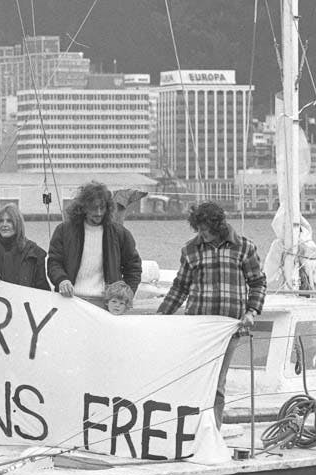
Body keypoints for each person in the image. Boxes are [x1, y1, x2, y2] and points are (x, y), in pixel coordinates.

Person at [156, 201, 267, 428]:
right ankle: (190, 430)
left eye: (206, 229)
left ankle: (212, 432)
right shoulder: (190, 250)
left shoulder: (244, 248)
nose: (202, 234)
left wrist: (251, 312)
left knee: (217, 383)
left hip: (229, 328)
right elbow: (180, 288)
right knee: (194, 381)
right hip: (198, 328)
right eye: (199, 229)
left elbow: (257, 283)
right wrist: (160, 318)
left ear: (218, 225)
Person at [47, 181, 142, 301]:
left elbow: (133, 268)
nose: (99, 213)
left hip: (106, 304)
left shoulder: (120, 233)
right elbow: (54, 262)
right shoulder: (63, 230)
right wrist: (61, 280)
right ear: (83, 208)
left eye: (102, 208)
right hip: (69, 302)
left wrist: (127, 294)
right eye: (93, 208)